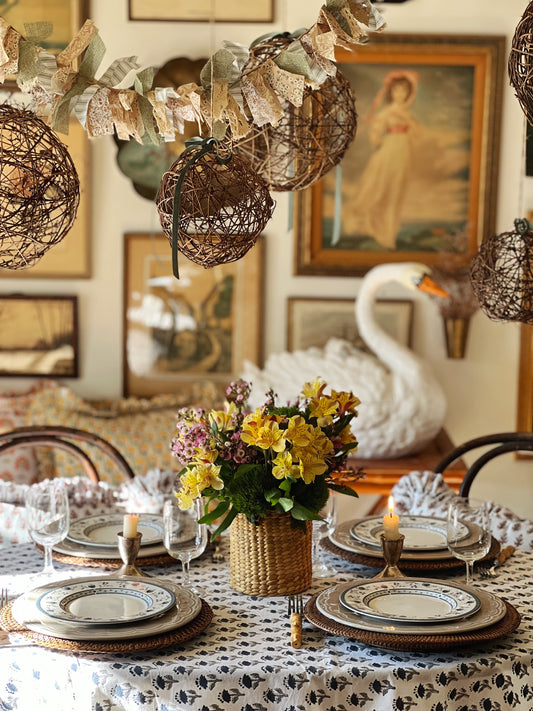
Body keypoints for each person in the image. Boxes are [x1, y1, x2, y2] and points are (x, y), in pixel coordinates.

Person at [350, 69, 419, 249]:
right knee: (382, 190)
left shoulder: (407, 114)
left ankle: (390, 234)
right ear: (391, 93)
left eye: (404, 91)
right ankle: (379, 231)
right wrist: (379, 138)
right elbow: (375, 135)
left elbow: (416, 135)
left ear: (408, 93)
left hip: (404, 153)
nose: (400, 94)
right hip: (390, 151)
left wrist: (410, 128)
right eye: (396, 90)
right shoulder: (387, 112)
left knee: (397, 191)